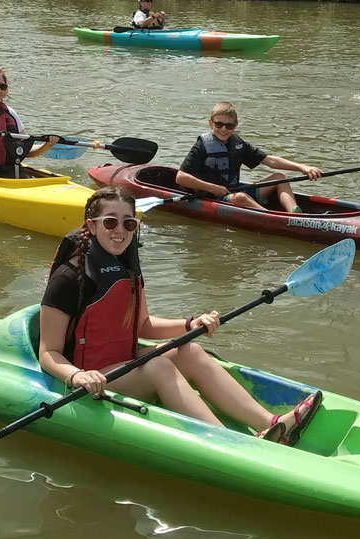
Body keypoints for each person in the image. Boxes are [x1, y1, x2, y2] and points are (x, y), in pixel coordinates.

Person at [39, 186, 322, 446]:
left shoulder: (127, 266)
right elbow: (49, 353)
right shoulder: (69, 278)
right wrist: (77, 376)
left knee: (190, 350)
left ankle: (271, 425)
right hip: (94, 376)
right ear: (92, 225)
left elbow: (144, 325)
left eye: (129, 223)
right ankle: (229, 443)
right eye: (110, 222)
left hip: (124, 363)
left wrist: (190, 323)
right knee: (160, 367)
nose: (120, 231)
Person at [175, 101, 323, 213]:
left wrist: (302, 167)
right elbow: (180, 177)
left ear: (235, 125)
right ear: (210, 123)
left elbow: (270, 160)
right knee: (241, 198)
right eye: (218, 124)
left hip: (234, 191)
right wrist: (213, 188)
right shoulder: (201, 146)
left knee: (280, 177)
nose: (223, 129)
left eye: (229, 126)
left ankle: (295, 216)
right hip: (212, 197)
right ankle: (271, 218)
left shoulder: (238, 144)